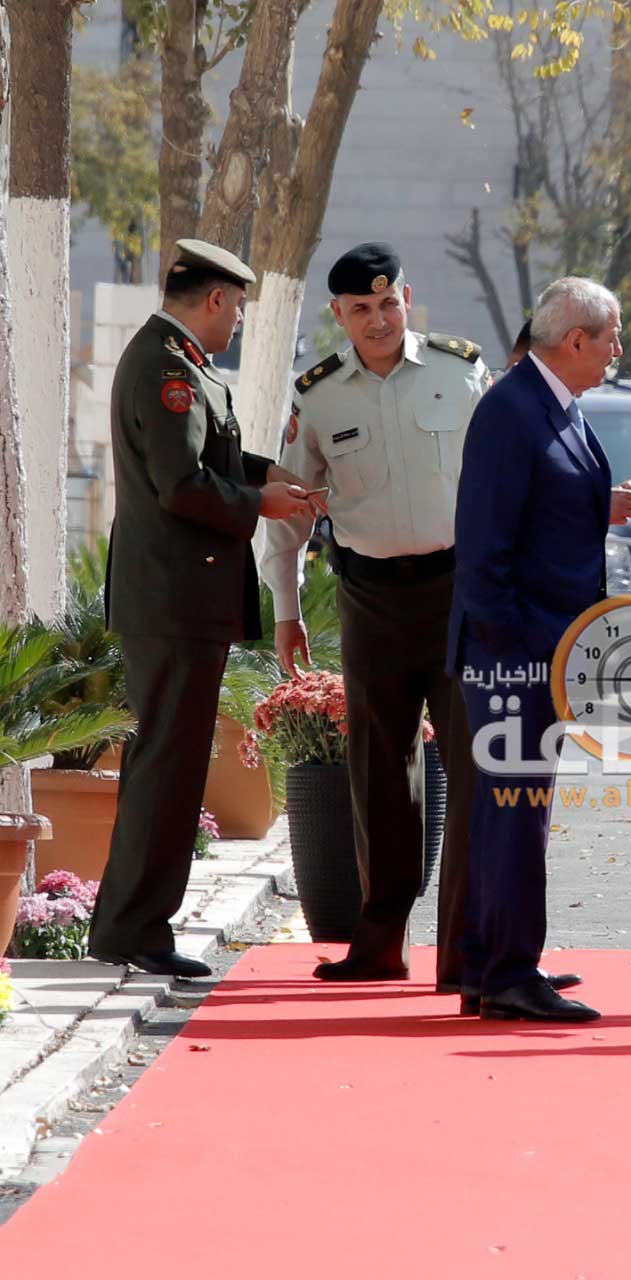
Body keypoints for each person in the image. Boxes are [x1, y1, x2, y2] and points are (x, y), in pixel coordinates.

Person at [89, 239, 317, 978]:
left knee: (171, 765)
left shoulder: (182, 363)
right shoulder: (167, 369)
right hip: (173, 600)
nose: (239, 321)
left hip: (181, 599)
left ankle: (132, 925)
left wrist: (265, 472)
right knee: (167, 766)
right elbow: (181, 485)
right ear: (215, 299)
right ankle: (134, 929)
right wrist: (260, 503)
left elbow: (208, 460)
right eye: (238, 307)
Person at [259, 242, 484, 987]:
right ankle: (381, 941)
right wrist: (287, 609)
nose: (379, 320)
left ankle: (471, 949)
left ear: (407, 299)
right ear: (339, 314)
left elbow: (503, 475)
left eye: (389, 303)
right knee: (380, 773)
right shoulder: (320, 395)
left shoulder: (460, 371)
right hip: (372, 599)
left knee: (476, 766)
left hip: (459, 593)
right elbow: (291, 514)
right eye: (362, 309)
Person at [449, 276, 631, 1023]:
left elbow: (555, 509)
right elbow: (483, 549)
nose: (618, 351)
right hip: (515, 654)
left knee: (513, 813)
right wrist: (520, 654)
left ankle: (491, 962)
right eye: (612, 337)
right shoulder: (512, 409)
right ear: (576, 339)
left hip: (542, 647)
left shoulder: (556, 403)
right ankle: (507, 975)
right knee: (513, 812)